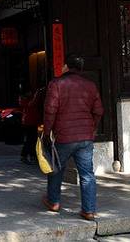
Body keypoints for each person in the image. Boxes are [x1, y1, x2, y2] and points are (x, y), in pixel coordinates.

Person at [41, 53, 103, 221]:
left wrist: (47, 132)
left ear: (66, 67)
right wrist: (93, 128)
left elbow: (50, 110)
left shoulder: (56, 84)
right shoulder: (90, 85)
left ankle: (53, 201)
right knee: (87, 174)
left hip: (64, 136)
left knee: (56, 168)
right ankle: (88, 210)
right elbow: (98, 111)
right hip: (85, 137)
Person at [19, 87, 45, 164]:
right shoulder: (25, 99)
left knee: (31, 140)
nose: (31, 93)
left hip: (31, 121)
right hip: (30, 122)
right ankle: (29, 156)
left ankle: (27, 156)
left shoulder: (26, 99)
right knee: (31, 140)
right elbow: (32, 104)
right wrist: (37, 94)